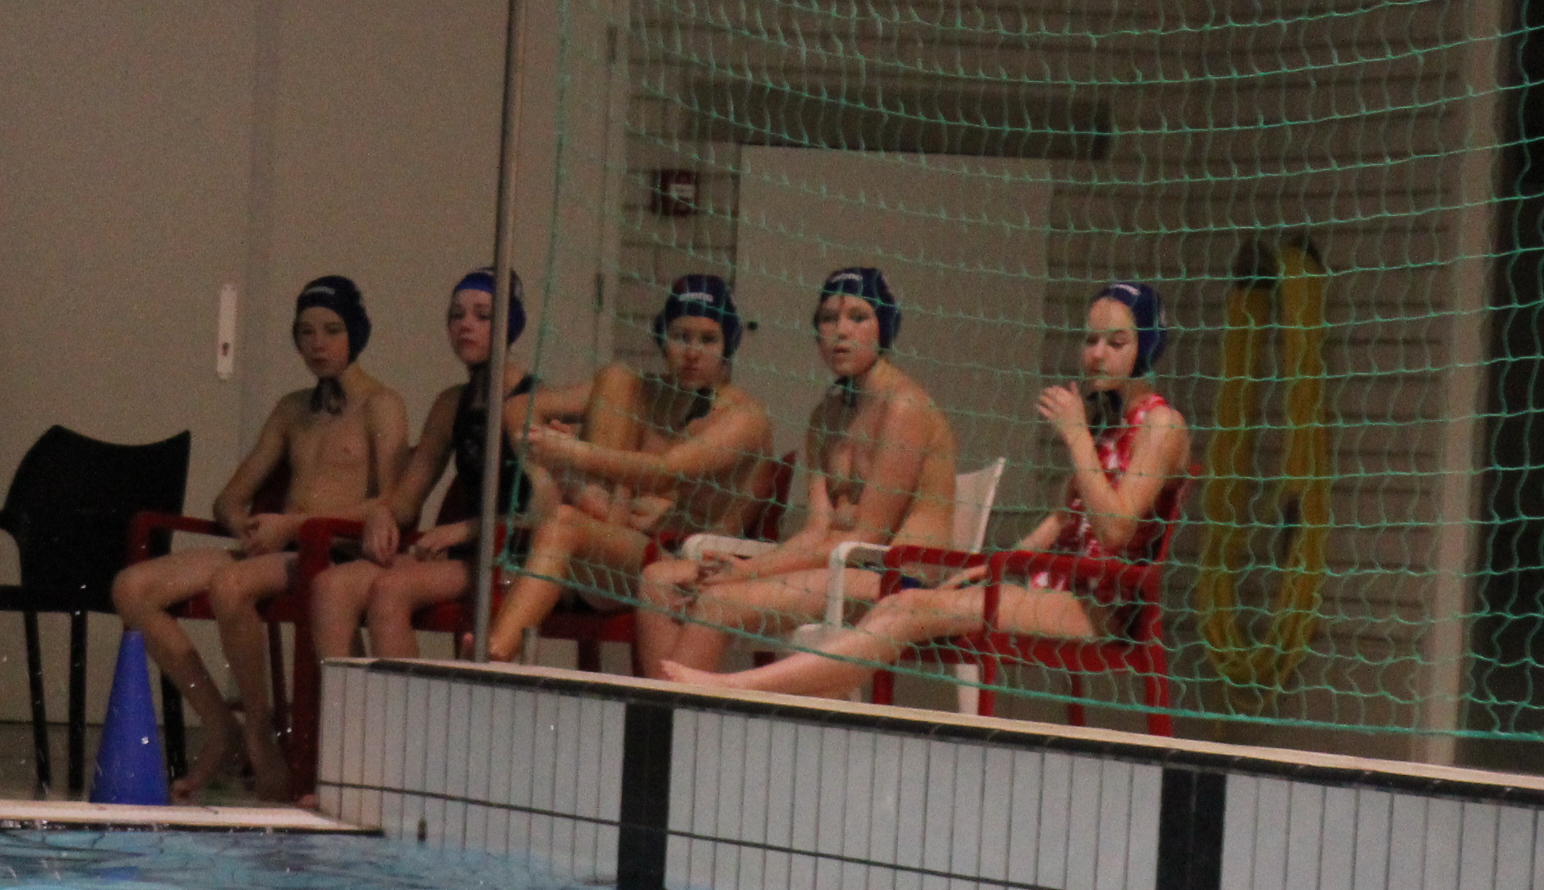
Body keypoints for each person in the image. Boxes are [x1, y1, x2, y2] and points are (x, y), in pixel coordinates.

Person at [667, 282, 1191, 701]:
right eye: (1091, 340)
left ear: (1147, 346)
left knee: (909, 608)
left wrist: (1075, 436)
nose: (1097, 355)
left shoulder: (1161, 425)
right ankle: (745, 693)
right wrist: (992, 566)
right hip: (1057, 584)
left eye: (1116, 343)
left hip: (1101, 605)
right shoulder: (1106, 426)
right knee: (906, 607)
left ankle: (739, 690)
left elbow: (1119, 530)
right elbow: (1058, 522)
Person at [113, 277, 408, 802]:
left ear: (356, 333)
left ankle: (261, 737)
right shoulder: (292, 409)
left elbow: (391, 503)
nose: (318, 344)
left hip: (331, 550)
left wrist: (292, 526)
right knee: (132, 588)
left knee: (231, 585)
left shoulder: (381, 405)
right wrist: (246, 526)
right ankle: (220, 723)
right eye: (306, 333)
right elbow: (229, 498)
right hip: (278, 547)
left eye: (332, 331)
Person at [635, 268, 957, 676]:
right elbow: (816, 530)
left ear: (885, 328)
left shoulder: (904, 408)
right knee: (658, 580)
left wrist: (746, 572)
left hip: (901, 579)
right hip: (841, 567)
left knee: (717, 603)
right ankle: (664, 719)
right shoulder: (825, 417)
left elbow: (869, 537)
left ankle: (676, 726)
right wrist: (742, 570)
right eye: (828, 318)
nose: (841, 331)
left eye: (858, 317)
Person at [478, 275, 775, 667]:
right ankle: (590, 500)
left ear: (728, 347)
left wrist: (573, 453)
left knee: (564, 524)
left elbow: (664, 473)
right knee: (617, 379)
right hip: (625, 546)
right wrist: (544, 474)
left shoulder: (743, 417)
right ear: (661, 339)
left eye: (707, 340)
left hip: (686, 562)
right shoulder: (647, 391)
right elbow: (517, 409)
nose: (692, 353)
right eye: (680, 337)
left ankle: (494, 652)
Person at [304, 271, 536, 697]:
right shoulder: (451, 404)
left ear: (510, 325)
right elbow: (409, 496)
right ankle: (356, 729)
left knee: (390, 590)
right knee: (329, 587)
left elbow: (541, 512)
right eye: (456, 315)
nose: (465, 325)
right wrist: (382, 512)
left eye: (482, 315)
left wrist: (464, 529)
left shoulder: (532, 402)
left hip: (518, 555)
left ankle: (411, 737)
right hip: (468, 553)